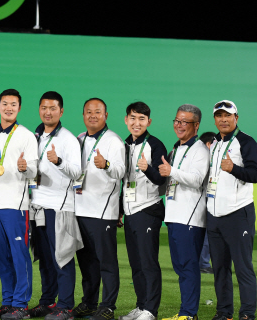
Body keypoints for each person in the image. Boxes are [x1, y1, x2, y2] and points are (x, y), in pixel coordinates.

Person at [28, 92, 82, 320]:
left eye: (52, 108)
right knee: (45, 259)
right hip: (37, 206)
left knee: (63, 258)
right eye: (44, 108)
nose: (47, 112)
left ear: (61, 111)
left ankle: (66, 306)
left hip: (59, 207)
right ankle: (48, 301)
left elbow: (77, 172)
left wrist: (58, 161)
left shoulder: (68, 139)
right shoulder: (35, 136)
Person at [0, 89, 39, 320]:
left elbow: (34, 171)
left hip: (16, 206)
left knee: (20, 256)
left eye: (14, 104)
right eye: (5, 104)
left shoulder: (26, 135)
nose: (9, 108)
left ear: (19, 108)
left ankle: (21, 305)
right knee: (1, 257)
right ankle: (8, 301)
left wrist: (24, 168)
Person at [206, 100, 257, 320]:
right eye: (219, 116)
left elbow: (255, 175)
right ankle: (224, 312)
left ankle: (247, 313)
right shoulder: (215, 143)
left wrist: (234, 168)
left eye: (228, 115)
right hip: (215, 216)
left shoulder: (246, 142)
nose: (223, 119)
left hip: (238, 214)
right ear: (215, 119)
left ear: (236, 118)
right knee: (220, 269)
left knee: (243, 268)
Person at [73, 98, 125, 320]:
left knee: (106, 262)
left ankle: (108, 306)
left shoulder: (113, 141)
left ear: (106, 115)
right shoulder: (79, 139)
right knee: (86, 263)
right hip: (80, 209)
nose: (92, 115)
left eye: (97, 112)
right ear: (83, 115)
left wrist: (107, 165)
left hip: (103, 212)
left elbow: (121, 171)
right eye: (88, 112)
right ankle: (89, 302)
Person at [160, 104, 209, 320]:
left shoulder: (200, 150)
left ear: (196, 125)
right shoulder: (176, 149)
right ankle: (185, 312)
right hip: (173, 215)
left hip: (190, 217)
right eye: (177, 121)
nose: (179, 126)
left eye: (185, 122)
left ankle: (189, 314)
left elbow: (198, 180)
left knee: (188, 267)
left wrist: (172, 171)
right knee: (180, 267)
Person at [119, 102, 167, 320]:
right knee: (136, 263)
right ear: (126, 120)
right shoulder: (124, 144)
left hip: (148, 209)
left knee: (148, 262)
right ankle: (140, 306)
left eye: (141, 119)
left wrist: (147, 168)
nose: (136, 123)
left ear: (149, 121)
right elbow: (125, 181)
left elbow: (161, 180)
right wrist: (120, 209)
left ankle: (150, 310)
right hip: (130, 212)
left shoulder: (155, 145)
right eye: (132, 118)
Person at [198, 131, 217, 274]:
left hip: (203, 200)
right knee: (206, 233)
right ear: (209, 144)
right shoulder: (205, 159)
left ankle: (202, 262)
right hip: (204, 199)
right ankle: (203, 263)